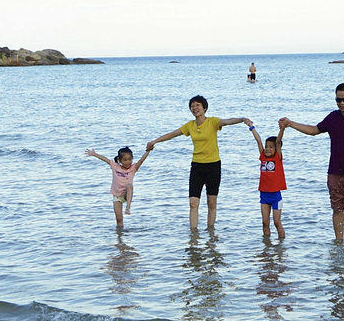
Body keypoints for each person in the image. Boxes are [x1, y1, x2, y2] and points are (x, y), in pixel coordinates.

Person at [280, 82, 344, 242]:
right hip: (335, 171)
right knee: (337, 208)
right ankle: (338, 243)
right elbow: (314, 130)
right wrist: (291, 124)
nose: (341, 103)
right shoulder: (333, 117)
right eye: (338, 100)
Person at [148, 96, 252, 230]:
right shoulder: (190, 125)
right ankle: (193, 235)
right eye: (192, 106)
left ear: (204, 108)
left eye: (198, 105)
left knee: (211, 203)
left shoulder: (212, 122)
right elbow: (173, 134)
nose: (194, 108)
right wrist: (154, 142)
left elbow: (227, 121)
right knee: (193, 202)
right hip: (197, 166)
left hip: (213, 165)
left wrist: (242, 119)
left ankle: (211, 233)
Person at [86, 145, 153, 227]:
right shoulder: (115, 166)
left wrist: (148, 151)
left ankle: (128, 208)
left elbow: (142, 160)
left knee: (129, 185)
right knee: (119, 220)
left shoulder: (133, 168)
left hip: (126, 194)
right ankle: (120, 234)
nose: (128, 162)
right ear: (119, 160)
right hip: (117, 196)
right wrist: (94, 154)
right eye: (125, 160)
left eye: (130, 159)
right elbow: (105, 159)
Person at [250, 122, 287, 240]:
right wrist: (251, 127)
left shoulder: (277, 157)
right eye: (266, 146)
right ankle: (267, 246)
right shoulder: (263, 157)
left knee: (277, 222)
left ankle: (281, 245)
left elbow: (278, 142)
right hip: (264, 195)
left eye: (271, 147)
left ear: (276, 149)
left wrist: (282, 129)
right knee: (265, 222)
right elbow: (258, 141)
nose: (267, 149)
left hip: (275, 196)